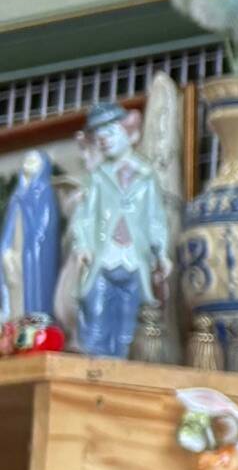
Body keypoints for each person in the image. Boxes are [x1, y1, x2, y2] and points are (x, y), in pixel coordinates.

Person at [61, 102, 169, 360]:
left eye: (109, 133)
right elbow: (86, 216)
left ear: (129, 133)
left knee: (130, 317)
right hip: (104, 256)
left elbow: (155, 217)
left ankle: (122, 362)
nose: (104, 140)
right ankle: (96, 359)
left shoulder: (146, 176)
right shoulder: (98, 177)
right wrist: (83, 244)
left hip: (134, 257)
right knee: (95, 309)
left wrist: (162, 251)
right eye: (99, 137)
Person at [0, 150, 58, 329]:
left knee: (33, 287)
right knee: (14, 286)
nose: (28, 164)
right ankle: (13, 320)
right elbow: (10, 225)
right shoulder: (18, 195)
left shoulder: (44, 191)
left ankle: (33, 323)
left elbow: (46, 225)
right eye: (26, 160)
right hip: (16, 249)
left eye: (33, 161)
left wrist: (33, 243)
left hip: (33, 252)